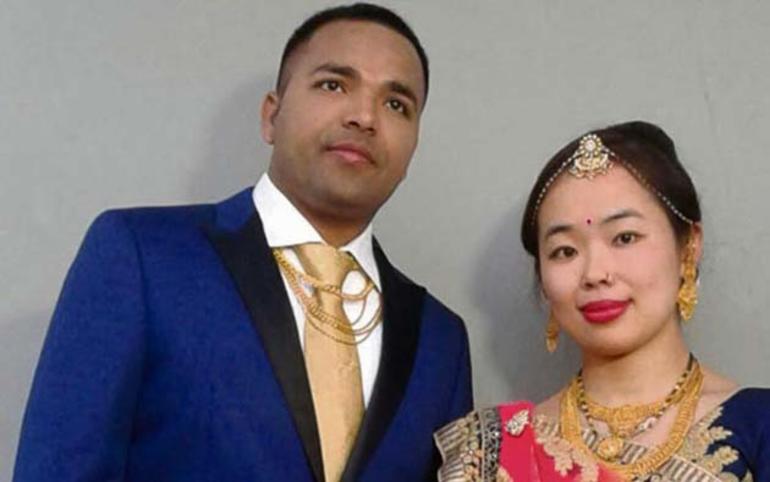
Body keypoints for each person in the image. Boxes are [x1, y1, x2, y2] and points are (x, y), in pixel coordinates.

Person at [14, 4, 472, 481]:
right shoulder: (142, 256)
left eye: (396, 105)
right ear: (271, 115)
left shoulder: (441, 340)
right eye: (334, 85)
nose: (364, 116)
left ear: (412, 148)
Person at [435, 121, 769, 481]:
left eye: (625, 238)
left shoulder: (758, 427)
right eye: (565, 251)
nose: (595, 273)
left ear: (689, 246)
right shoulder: (487, 452)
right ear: (543, 279)